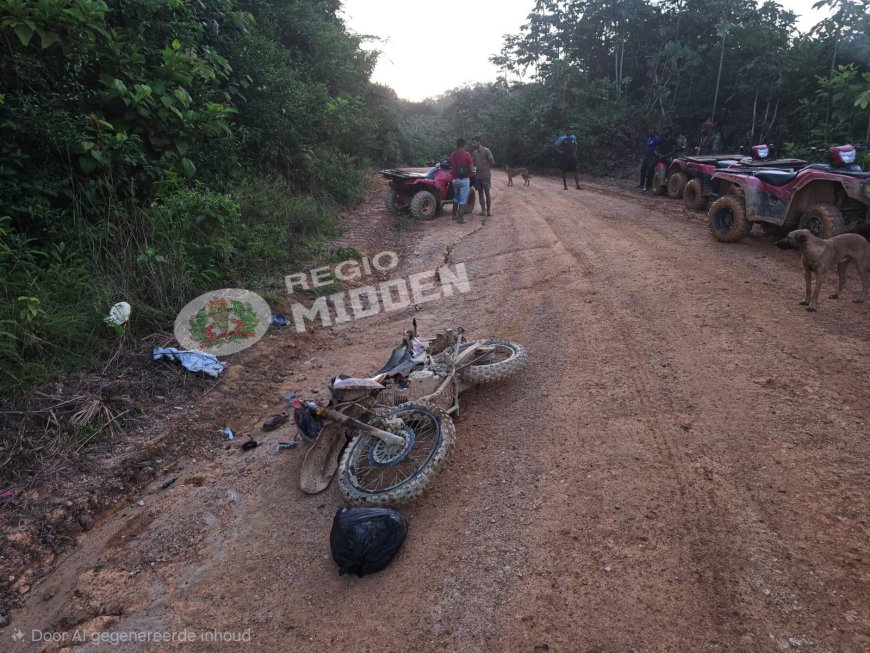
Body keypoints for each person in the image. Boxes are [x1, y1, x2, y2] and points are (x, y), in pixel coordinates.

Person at [448, 138, 474, 223]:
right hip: (464, 180)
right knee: (463, 200)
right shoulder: (467, 154)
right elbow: (471, 169)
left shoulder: (452, 155)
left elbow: (450, 164)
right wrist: (472, 175)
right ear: (464, 145)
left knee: (456, 198)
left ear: (457, 145)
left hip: (455, 180)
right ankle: (461, 219)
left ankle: (453, 215)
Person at [471, 136, 495, 217]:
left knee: (487, 193)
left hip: (486, 176)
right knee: (480, 193)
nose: (473, 145)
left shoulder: (486, 150)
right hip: (478, 177)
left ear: (479, 142)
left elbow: (492, 162)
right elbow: (473, 164)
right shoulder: (474, 153)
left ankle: (488, 211)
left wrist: (487, 168)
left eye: (474, 143)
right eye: (472, 143)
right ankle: (483, 211)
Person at [637, 127, 659, 191]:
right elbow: (646, 147)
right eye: (650, 131)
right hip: (646, 156)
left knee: (650, 170)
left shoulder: (657, 139)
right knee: (643, 169)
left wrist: (656, 156)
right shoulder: (648, 138)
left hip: (653, 156)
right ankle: (641, 183)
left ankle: (648, 185)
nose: (650, 132)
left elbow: (658, 148)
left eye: (652, 131)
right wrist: (644, 154)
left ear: (654, 131)